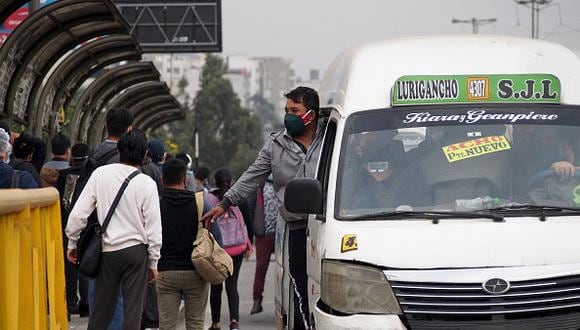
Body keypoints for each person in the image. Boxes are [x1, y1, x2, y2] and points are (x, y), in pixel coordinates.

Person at [203, 86, 325, 330]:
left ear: (310, 115)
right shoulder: (276, 145)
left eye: (295, 110)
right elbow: (251, 177)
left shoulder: (329, 140)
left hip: (326, 226)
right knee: (299, 285)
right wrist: (225, 203)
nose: (288, 115)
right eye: (286, 110)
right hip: (294, 227)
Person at [65, 129, 162, 330]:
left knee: (101, 311)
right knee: (132, 313)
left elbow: (78, 214)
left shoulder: (100, 174)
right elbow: (153, 227)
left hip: (107, 250)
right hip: (136, 252)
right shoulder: (147, 183)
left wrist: (72, 242)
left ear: (119, 150)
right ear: (145, 154)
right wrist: (153, 262)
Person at [79, 108, 135, 329]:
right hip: (121, 235)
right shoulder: (125, 159)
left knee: (98, 296)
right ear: (129, 129)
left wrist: (75, 239)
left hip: (95, 233)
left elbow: (81, 203)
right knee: (120, 297)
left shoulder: (94, 155)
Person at [156, 158, 210, 330]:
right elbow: (214, 237)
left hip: (165, 272)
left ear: (162, 180)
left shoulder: (157, 205)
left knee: (166, 325)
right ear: (185, 180)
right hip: (196, 271)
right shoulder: (200, 203)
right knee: (195, 324)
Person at [207, 168, 252, 330]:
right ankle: (234, 322)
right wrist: (249, 244)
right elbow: (249, 222)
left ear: (215, 181)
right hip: (237, 248)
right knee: (232, 285)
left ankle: (216, 322)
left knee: (216, 285)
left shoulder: (209, 200)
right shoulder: (238, 199)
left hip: (218, 249)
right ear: (232, 181)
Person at [56, 142, 91, 318]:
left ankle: (69, 303)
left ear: (71, 155)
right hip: (87, 226)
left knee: (69, 266)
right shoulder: (90, 174)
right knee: (86, 265)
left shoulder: (64, 175)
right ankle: (86, 304)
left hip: (66, 225)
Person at [249, 176, 278, 315]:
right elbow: (250, 207)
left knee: (285, 269)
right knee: (261, 267)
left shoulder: (284, 183)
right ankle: (257, 300)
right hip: (264, 233)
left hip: (282, 233)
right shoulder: (259, 186)